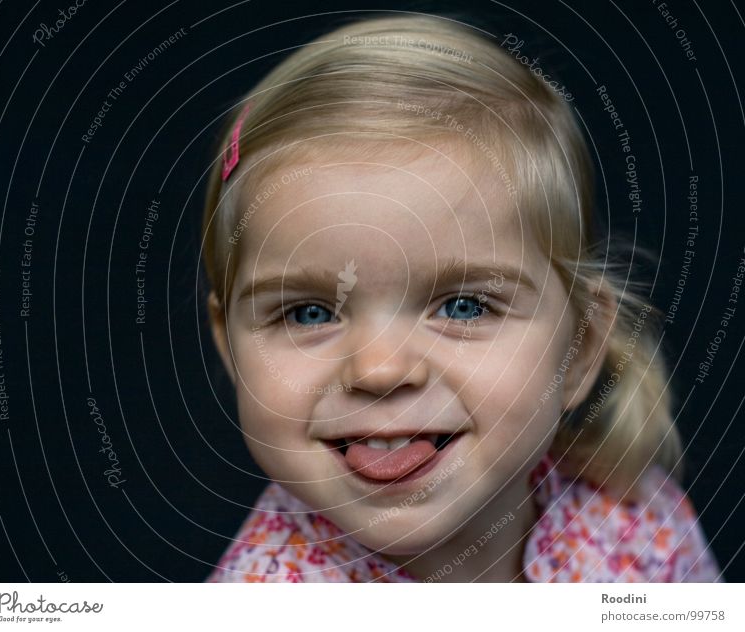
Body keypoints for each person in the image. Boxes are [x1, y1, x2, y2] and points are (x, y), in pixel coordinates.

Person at [200, 14, 721, 582]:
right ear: (234, 353)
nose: (379, 370)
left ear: (579, 345)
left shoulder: (633, 520)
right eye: (308, 313)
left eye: (464, 305)